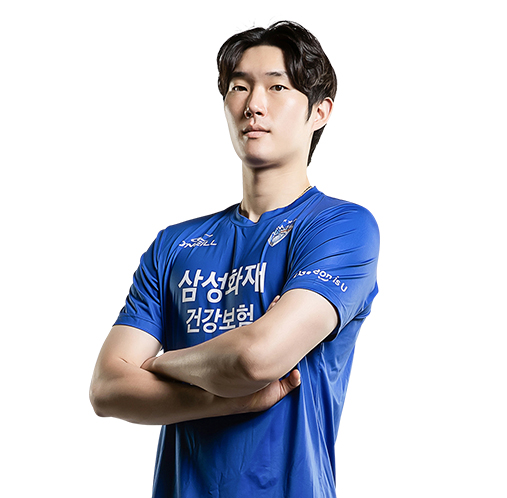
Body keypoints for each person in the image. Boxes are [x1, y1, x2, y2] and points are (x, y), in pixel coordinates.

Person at [90, 20, 379, 498]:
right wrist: (231, 399)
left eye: (277, 87)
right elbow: (106, 388)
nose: (253, 104)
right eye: (239, 87)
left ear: (320, 111)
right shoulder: (174, 245)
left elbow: (254, 359)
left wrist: (159, 363)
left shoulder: (341, 227)